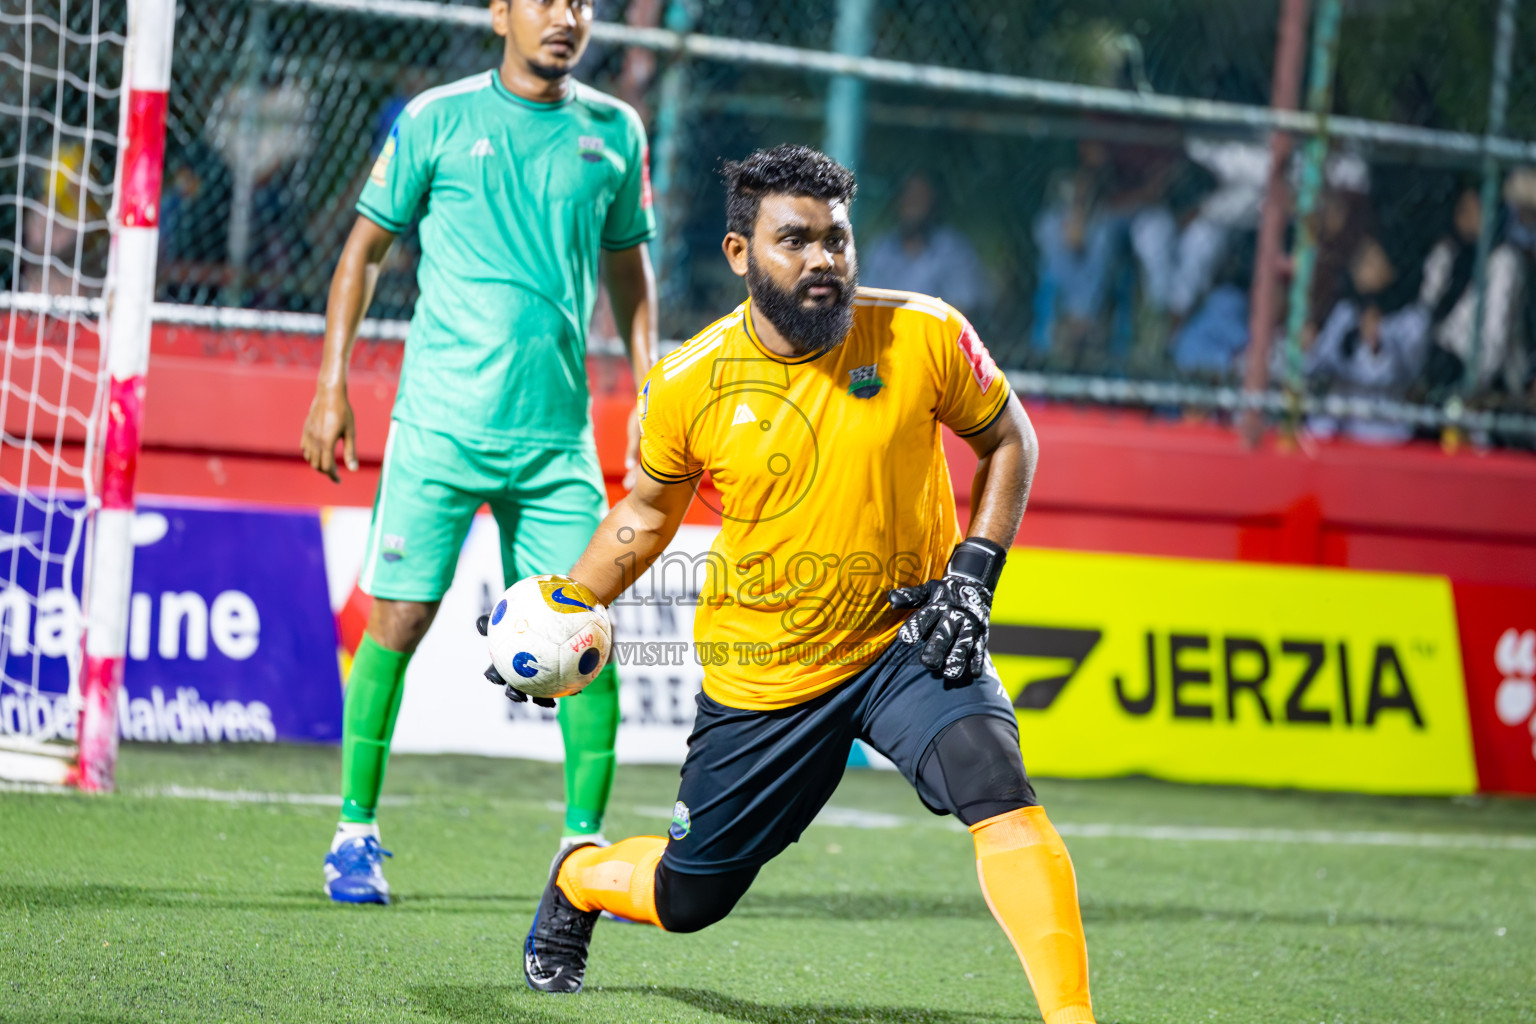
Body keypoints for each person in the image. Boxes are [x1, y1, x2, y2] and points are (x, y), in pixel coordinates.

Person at [511, 144, 1098, 1024]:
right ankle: (579, 877)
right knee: (687, 901)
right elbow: (647, 512)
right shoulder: (687, 382)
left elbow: (1011, 440)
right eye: (798, 241)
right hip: (766, 671)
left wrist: (974, 576)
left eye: (838, 240)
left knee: (995, 781)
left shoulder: (927, 333)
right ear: (741, 254)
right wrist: (570, 605)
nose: (825, 260)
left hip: (909, 636)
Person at [299, 0, 658, 904]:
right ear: (500, 12)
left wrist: (653, 391)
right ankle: (354, 833)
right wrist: (331, 383)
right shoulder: (436, 118)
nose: (566, 17)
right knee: (398, 625)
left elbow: (630, 273)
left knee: (589, 634)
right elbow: (365, 250)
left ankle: (584, 850)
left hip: (557, 442)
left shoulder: (617, 133)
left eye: (582, 2)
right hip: (438, 429)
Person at [1305, 236, 1430, 443]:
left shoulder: (1413, 318)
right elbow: (1322, 362)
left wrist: (1375, 347)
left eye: (1371, 260)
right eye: (1360, 259)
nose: (1360, 267)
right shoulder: (1346, 310)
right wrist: (1309, 347)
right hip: (1341, 424)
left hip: (1387, 426)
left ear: (1393, 268)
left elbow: (1405, 375)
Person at [860, 172, 989, 315]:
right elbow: (867, 303)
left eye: (919, 198)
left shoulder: (954, 250)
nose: (912, 204)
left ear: (933, 203)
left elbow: (961, 309)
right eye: (907, 196)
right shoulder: (881, 248)